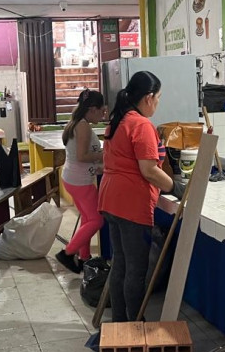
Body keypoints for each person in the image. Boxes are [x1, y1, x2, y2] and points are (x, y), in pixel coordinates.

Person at [99, 71, 182, 323]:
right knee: (135, 269)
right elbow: (149, 170)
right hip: (130, 203)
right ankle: (135, 324)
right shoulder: (141, 125)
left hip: (111, 198)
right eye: (158, 98)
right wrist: (175, 187)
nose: (158, 103)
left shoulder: (119, 120)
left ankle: (120, 323)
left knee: (120, 264)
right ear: (148, 97)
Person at [56, 90, 108, 273]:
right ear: (92, 109)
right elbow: (82, 156)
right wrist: (104, 154)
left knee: (87, 218)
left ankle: (84, 257)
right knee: (97, 220)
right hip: (80, 182)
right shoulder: (83, 126)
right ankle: (67, 253)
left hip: (73, 178)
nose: (103, 115)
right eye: (102, 111)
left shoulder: (78, 122)